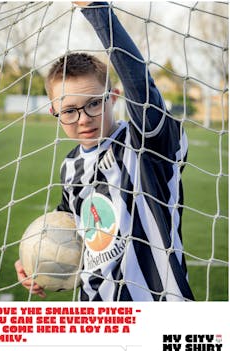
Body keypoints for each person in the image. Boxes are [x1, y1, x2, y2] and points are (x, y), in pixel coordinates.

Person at [15, 1, 194, 301]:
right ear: (54, 111)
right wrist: (36, 260)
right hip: (95, 313)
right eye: (69, 110)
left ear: (113, 96)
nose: (83, 118)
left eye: (94, 103)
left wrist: (96, 9)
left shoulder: (144, 144)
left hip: (158, 307)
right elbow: (69, 224)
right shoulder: (70, 167)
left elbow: (141, 84)